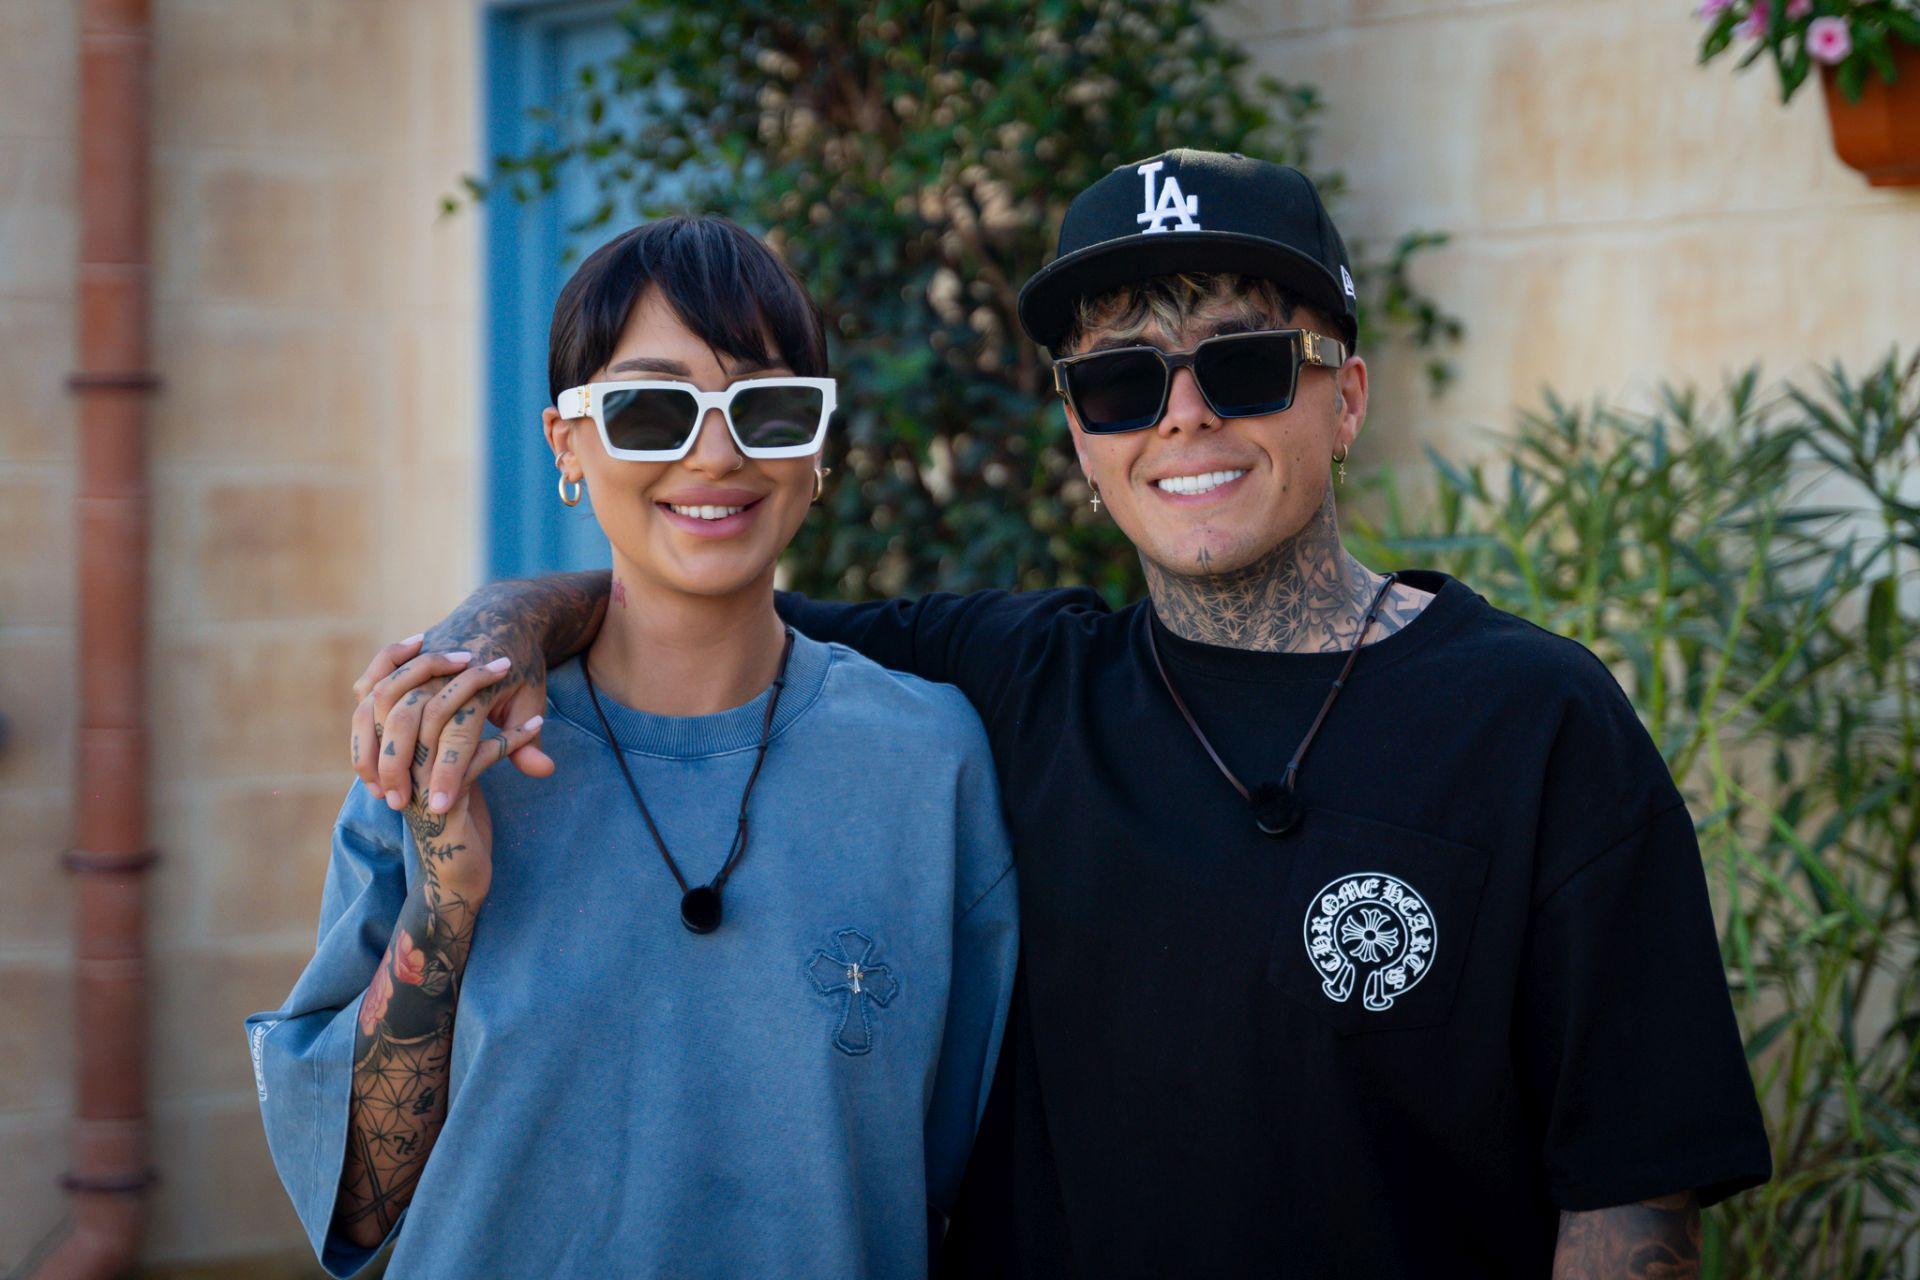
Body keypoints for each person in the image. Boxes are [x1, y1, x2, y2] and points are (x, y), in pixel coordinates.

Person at [354, 152, 1771, 1277]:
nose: (1185, 415)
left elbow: (1631, 1199)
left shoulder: (1537, 722)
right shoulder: (1009, 685)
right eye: (1120, 378)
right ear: (1083, 437)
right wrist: (498, 631)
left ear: (1344, 397)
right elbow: (697, 585)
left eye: (1245, 362)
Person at [245, 215, 1019, 1280]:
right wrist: (446, 904)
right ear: (567, 443)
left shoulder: (930, 763)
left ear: (818, 444)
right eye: (652, 409)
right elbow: (359, 1211)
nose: (717, 453)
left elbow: (968, 1182)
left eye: (769, 406)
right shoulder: (441, 751)